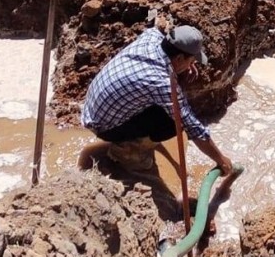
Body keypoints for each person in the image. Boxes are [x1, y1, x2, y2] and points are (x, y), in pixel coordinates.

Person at [81, 23, 234, 175]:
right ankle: (126, 152)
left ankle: (130, 139)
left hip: (92, 107)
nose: (192, 65)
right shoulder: (160, 82)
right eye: (192, 61)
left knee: (167, 111)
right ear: (179, 58)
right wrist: (221, 159)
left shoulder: (152, 37)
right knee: (174, 123)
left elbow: (158, 27)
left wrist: (182, 68)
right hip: (103, 125)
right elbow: (193, 128)